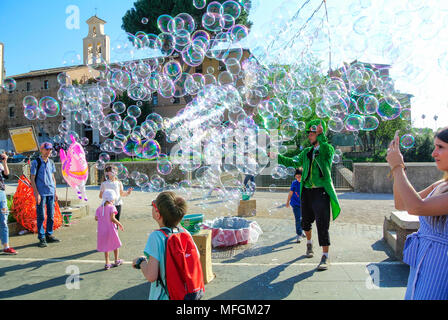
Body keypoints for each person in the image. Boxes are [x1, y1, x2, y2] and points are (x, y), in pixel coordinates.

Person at [387, 127, 448, 300]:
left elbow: (416, 207)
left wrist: (397, 166)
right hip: (423, 261)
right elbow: (402, 204)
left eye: (440, 147)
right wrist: (399, 168)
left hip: (442, 265)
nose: (433, 153)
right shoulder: (440, 184)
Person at [272, 119, 341, 271]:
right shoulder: (306, 152)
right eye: (309, 133)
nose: (309, 135)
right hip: (307, 192)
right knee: (305, 223)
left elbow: (325, 151)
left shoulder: (327, 149)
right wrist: (276, 156)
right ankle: (309, 244)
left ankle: (325, 257)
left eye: (312, 133)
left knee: (322, 225)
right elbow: (292, 161)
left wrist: (322, 136)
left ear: (319, 133)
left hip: (320, 192)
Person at [132, 191, 188, 300]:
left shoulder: (156, 237)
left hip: (164, 296)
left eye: (154, 205)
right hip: (184, 294)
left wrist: (141, 262)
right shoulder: (185, 233)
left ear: (158, 215)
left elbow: (151, 276)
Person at [30, 142, 60, 248]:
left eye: (50, 150)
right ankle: (41, 237)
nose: (48, 151)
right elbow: (32, 179)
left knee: (51, 215)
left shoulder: (51, 162)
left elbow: (53, 177)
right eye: (46, 149)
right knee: (41, 215)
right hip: (41, 193)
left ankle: (49, 234)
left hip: (51, 192)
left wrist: (55, 191)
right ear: (41, 150)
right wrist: (36, 193)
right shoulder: (36, 162)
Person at [95, 189, 124, 270]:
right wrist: (119, 224)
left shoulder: (99, 208)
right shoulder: (112, 207)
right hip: (111, 229)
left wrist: (102, 218)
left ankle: (107, 263)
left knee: (106, 247)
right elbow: (112, 219)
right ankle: (116, 260)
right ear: (111, 198)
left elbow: (96, 218)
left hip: (102, 231)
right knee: (115, 244)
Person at [0, 151, 17, 254]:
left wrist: (5, 162)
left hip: (1, 193)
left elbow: (6, 176)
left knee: (3, 219)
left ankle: (6, 246)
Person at [286, 168, 305, 243]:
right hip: (295, 204)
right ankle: (299, 234)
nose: (298, 178)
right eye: (296, 177)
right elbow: (290, 193)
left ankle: (302, 230)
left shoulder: (305, 183)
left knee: (304, 219)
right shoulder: (294, 183)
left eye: (299, 176)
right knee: (298, 219)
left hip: (304, 204)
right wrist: (287, 201)